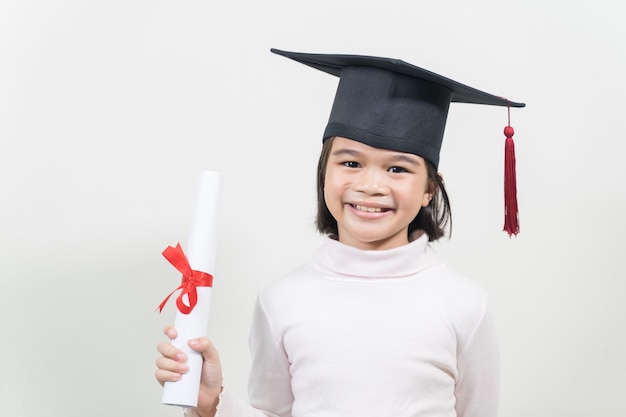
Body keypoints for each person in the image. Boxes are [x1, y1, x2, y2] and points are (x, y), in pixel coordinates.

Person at [155, 48, 525, 417]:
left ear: (430, 188)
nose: (370, 185)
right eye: (350, 162)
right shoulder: (281, 301)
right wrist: (212, 404)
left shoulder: (465, 305)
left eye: (398, 169)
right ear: (324, 173)